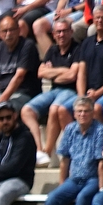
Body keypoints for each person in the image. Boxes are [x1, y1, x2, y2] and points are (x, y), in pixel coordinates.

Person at [27, 96, 103, 205]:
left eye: (86, 111)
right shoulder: (70, 129)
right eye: (79, 111)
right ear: (74, 114)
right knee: (52, 198)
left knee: (83, 198)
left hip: (92, 179)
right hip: (74, 179)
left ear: (92, 113)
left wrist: (101, 187)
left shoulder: (100, 130)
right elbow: (64, 160)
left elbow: (101, 163)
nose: (83, 114)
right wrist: (62, 184)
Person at [21, 17, 79, 167]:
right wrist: (63, 71)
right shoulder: (52, 50)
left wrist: (52, 72)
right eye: (58, 32)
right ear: (53, 34)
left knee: (54, 109)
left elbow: (72, 75)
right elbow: (40, 72)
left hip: (71, 90)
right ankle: (39, 150)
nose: (61, 35)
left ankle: (47, 151)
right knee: (26, 110)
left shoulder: (77, 49)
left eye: (65, 31)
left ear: (71, 32)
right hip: (54, 90)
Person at [0, 14, 42, 119]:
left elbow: (19, 76)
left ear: (18, 30)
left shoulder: (27, 45)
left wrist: (1, 100)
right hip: (1, 93)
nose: (8, 34)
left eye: (11, 30)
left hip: (24, 94)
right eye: (5, 31)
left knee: (2, 110)